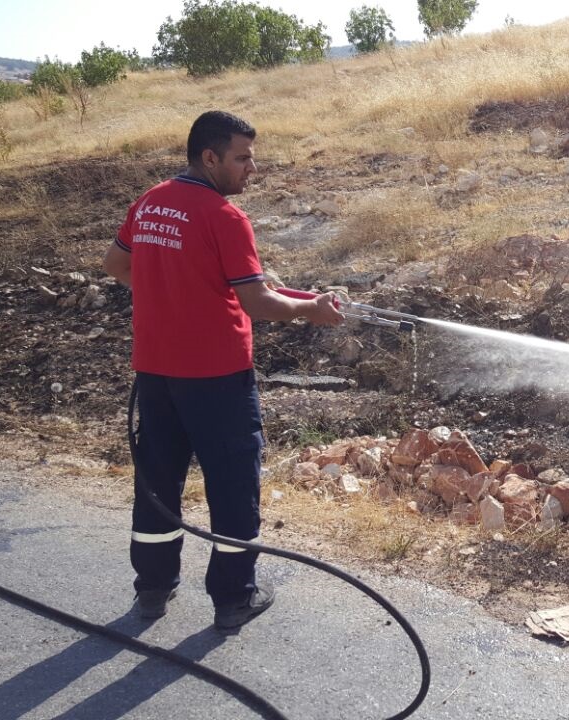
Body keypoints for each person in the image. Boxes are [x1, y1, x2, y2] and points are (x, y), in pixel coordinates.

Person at [102, 110, 343, 630]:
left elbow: (116, 266)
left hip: (156, 375)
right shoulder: (223, 216)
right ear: (209, 157)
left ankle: (152, 589)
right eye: (242, 157)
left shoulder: (149, 203)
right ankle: (234, 597)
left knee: (158, 482)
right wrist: (311, 311)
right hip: (216, 380)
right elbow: (256, 302)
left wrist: (170, 298)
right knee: (232, 486)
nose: (251, 168)